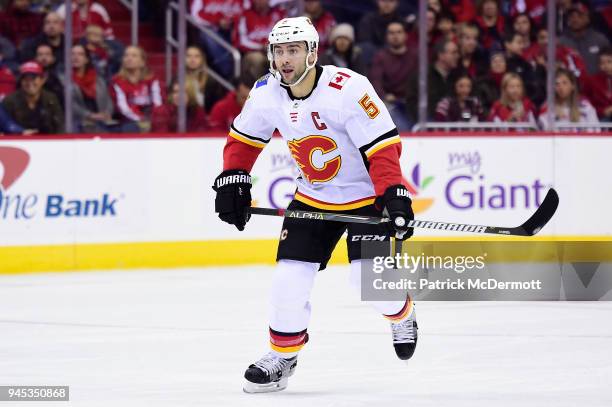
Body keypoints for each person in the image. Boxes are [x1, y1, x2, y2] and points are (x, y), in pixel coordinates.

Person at [212, 16, 417, 393]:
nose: (285, 59)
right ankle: (283, 357)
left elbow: (383, 148)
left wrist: (394, 194)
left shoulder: (349, 89)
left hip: (365, 199)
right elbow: (243, 138)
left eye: (294, 50)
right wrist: (233, 179)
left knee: (369, 283)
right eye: (279, 51)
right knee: (287, 280)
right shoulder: (265, 91)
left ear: (312, 53)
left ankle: (401, 313)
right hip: (313, 198)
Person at [370, 20, 416, 131]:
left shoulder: (415, 56)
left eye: (399, 32)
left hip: (412, 102)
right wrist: (385, 96)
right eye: (391, 33)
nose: (395, 36)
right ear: (386, 36)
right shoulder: (380, 57)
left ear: (405, 35)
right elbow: (376, 82)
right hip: (391, 103)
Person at [109, 45, 163, 133]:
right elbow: (123, 108)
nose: (129, 58)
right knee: (130, 128)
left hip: (151, 117)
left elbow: (158, 103)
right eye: (126, 55)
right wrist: (140, 119)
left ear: (142, 62)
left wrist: (152, 119)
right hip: (129, 120)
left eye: (134, 56)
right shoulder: (116, 81)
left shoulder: (152, 79)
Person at [405, 39, 460, 122]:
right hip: (427, 125)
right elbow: (412, 103)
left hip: (452, 124)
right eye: (453, 53)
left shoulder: (457, 76)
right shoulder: (422, 77)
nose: (457, 56)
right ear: (441, 55)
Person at [2, 61, 64, 134]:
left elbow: (59, 126)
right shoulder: (9, 101)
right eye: (25, 79)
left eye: (33, 78)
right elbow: (5, 128)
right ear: (21, 81)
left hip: (48, 141)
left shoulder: (51, 99)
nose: (29, 83)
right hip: (18, 142)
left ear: (42, 80)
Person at [70, 44, 113, 132]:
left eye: (80, 54)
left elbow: (109, 100)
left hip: (101, 120)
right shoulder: (63, 79)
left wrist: (107, 114)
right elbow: (70, 104)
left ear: (86, 59)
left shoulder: (99, 79)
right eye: (72, 54)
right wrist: (90, 115)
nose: (75, 57)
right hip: (78, 122)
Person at [559, 2, 610, 75]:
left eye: (579, 16)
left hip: (597, 83)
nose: (575, 19)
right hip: (572, 84)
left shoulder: (600, 40)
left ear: (587, 18)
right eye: (571, 16)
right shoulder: (561, 42)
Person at [184, 45, 226, 112]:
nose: (192, 59)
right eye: (188, 56)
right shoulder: (178, 80)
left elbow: (216, 105)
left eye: (196, 56)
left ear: (202, 59)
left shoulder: (212, 82)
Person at [583, 48, 612, 121]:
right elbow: (585, 103)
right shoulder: (591, 81)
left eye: (609, 62)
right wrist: (602, 111)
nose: (606, 66)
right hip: (600, 118)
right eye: (602, 63)